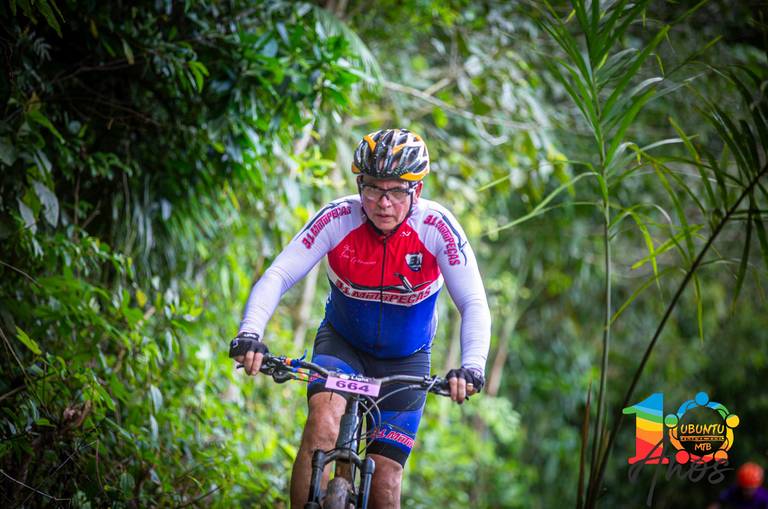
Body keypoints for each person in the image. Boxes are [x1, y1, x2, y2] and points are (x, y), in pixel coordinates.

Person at [230, 128, 491, 508]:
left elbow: (473, 302)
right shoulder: (338, 218)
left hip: (406, 359)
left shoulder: (436, 227)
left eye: (396, 191)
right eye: (372, 188)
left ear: (417, 190)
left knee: (386, 480)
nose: (383, 202)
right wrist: (250, 333)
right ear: (359, 184)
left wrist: (472, 366)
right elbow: (279, 274)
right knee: (321, 427)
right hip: (343, 346)